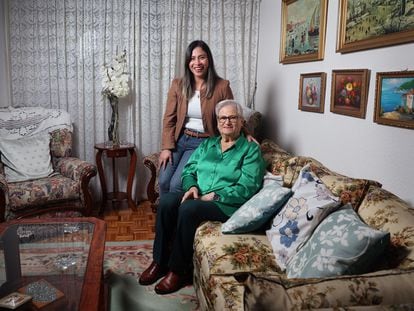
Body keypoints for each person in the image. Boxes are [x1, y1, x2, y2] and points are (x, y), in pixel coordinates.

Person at [139, 100, 265, 295]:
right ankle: (159, 261)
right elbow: (189, 169)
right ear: (217, 123)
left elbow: (248, 187)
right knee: (166, 201)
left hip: (227, 203)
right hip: (200, 194)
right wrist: (191, 187)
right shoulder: (208, 144)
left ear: (241, 122)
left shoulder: (250, 150)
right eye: (223, 118)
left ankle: (178, 270)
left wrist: (216, 195)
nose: (227, 122)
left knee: (189, 209)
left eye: (233, 117)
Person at [158, 40, 234, 196]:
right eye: (192, 58)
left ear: (209, 60)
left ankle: (178, 219)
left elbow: (232, 115)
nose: (197, 63)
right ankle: (165, 218)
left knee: (176, 185)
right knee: (163, 181)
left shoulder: (222, 86)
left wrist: (245, 133)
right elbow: (169, 118)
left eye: (202, 57)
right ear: (188, 62)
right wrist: (166, 147)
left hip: (203, 143)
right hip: (180, 140)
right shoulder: (178, 84)